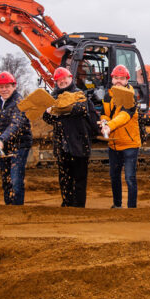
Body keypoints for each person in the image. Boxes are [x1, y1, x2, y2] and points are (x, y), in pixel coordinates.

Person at [42, 67, 95, 207]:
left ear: (71, 78)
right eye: (59, 80)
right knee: (65, 178)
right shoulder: (53, 97)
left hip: (79, 144)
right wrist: (50, 112)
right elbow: (47, 118)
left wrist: (61, 110)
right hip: (62, 145)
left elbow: (81, 109)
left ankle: (78, 206)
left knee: (79, 178)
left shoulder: (79, 94)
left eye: (64, 78)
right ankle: (66, 204)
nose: (62, 81)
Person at [0, 72, 32, 205]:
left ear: (14, 86)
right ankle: (8, 206)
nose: (4, 90)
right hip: (4, 144)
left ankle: (17, 207)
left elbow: (16, 124)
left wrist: (1, 140)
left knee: (15, 178)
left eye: (7, 87)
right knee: (6, 178)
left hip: (19, 144)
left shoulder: (19, 102)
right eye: (1, 87)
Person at [101, 65, 141, 208]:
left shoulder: (130, 97)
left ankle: (132, 208)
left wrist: (109, 126)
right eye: (116, 78)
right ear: (112, 79)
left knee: (130, 178)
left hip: (130, 144)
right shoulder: (107, 96)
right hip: (114, 144)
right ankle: (117, 205)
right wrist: (104, 120)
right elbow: (106, 113)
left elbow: (124, 116)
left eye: (122, 78)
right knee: (114, 176)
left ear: (126, 80)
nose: (118, 81)